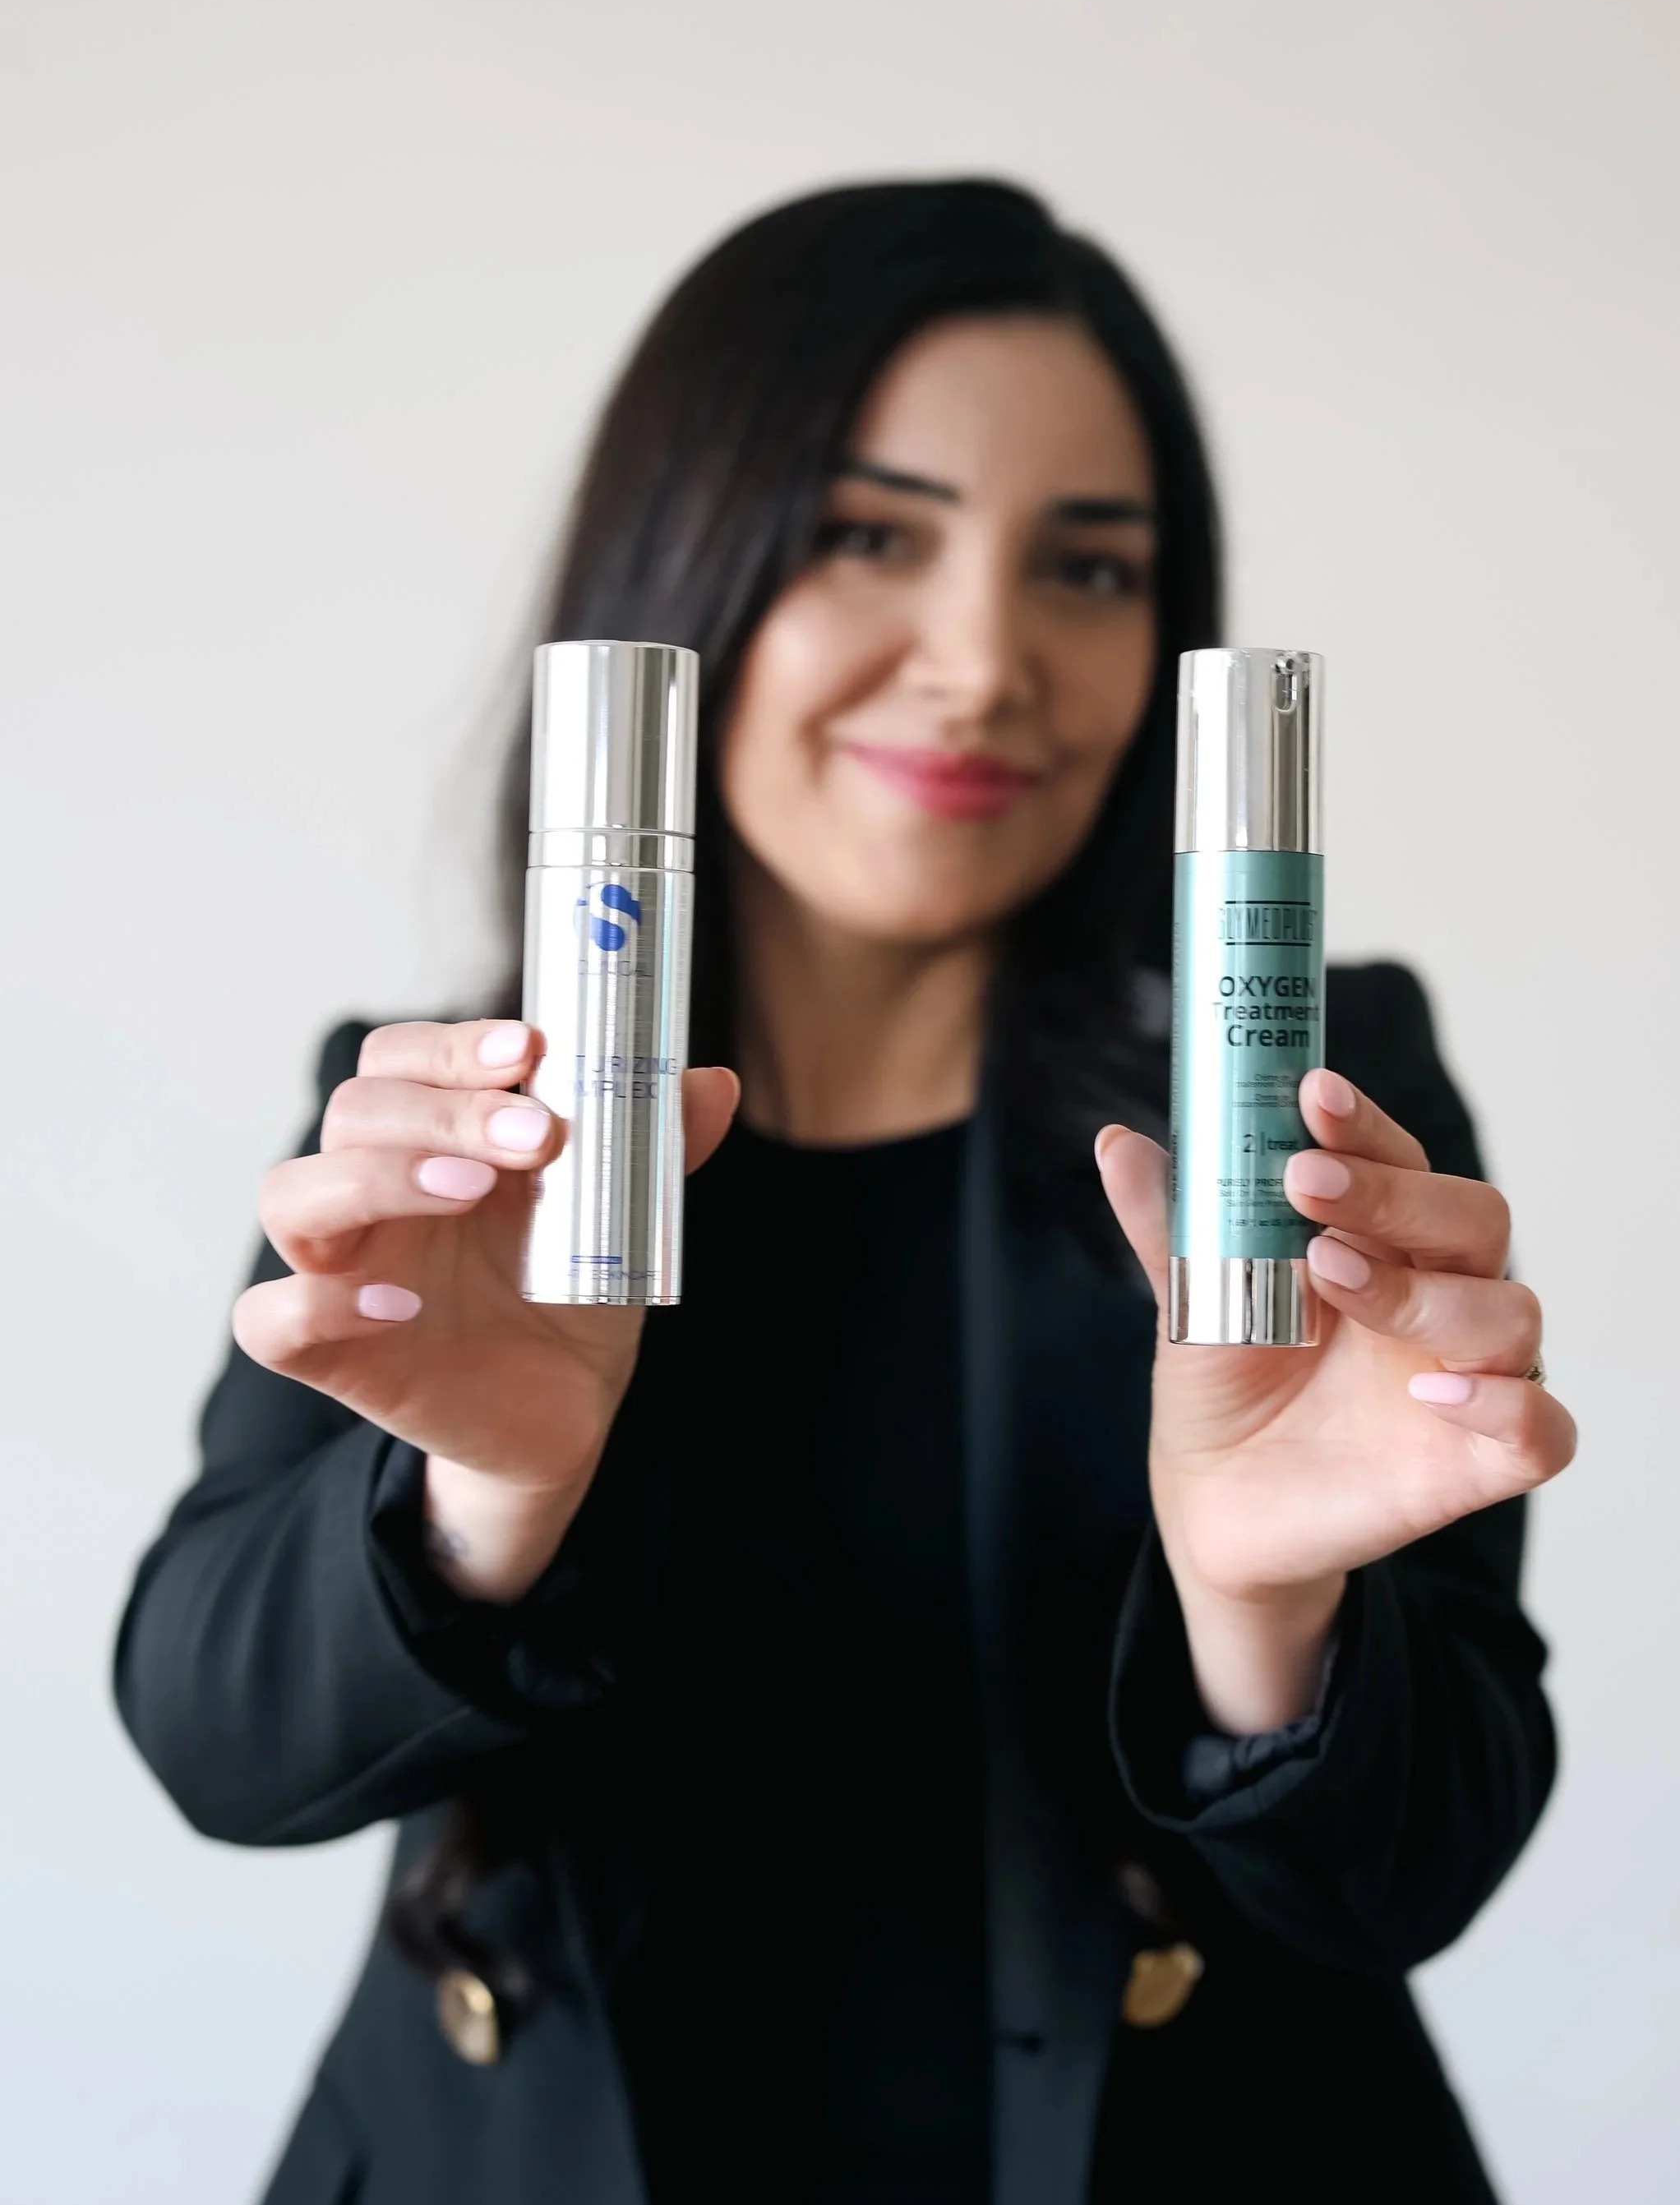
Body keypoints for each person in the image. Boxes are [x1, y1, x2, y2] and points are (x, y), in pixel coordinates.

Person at [115, 179, 1576, 2205]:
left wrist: (1264, 1608)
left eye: (1085, 569)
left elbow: (1413, 1872)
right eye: (870, 534)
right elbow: (215, 1743)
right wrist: (480, 1509)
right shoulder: (466, 1137)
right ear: (686, 558)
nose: (982, 663)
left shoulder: (1292, 1117)